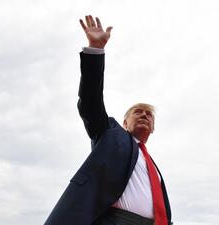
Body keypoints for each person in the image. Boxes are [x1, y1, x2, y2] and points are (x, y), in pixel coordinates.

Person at [44, 15, 172, 225]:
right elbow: (90, 103)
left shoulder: (153, 168)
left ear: (153, 127)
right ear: (124, 123)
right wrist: (95, 50)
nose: (144, 115)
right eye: (137, 112)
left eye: (149, 114)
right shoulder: (111, 134)